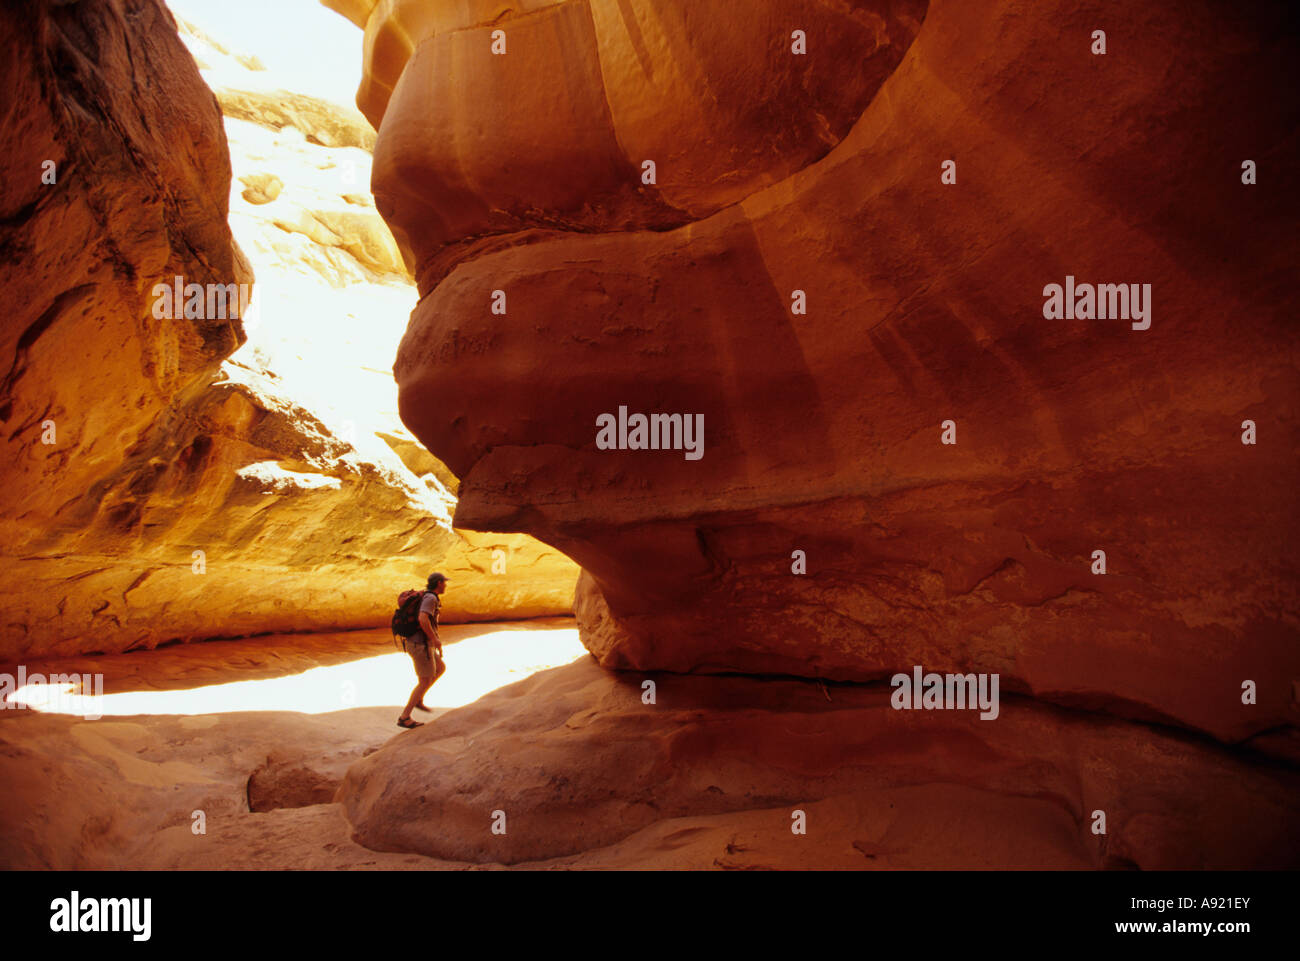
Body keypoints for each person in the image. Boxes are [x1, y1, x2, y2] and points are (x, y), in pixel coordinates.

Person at [397, 573, 448, 728]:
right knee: (424, 680)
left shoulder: (427, 595)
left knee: (440, 668)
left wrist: (433, 641)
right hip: (420, 645)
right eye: (444, 583)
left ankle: (419, 698)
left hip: (423, 644)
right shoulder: (431, 598)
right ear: (439, 583)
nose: (446, 585)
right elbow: (422, 618)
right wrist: (434, 639)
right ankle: (404, 717)